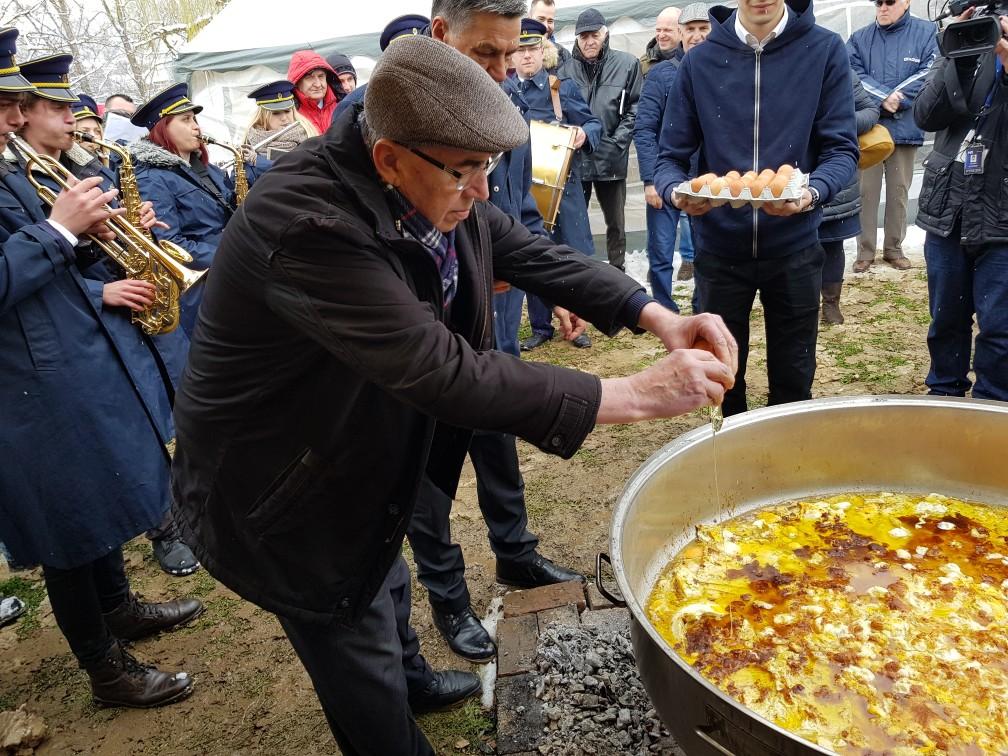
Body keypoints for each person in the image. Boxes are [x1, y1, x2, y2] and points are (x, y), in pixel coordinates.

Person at [170, 34, 737, 756]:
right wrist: (635, 392)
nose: (479, 192)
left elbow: (525, 249)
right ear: (388, 158)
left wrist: (654, 313)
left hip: (356, 443)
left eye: (487, 169)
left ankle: (410, 674)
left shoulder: (425, 176)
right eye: (465, 173)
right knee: (351, 625)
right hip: (283, 484)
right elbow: (444, 370)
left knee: (385, 566)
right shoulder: (307, 223)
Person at [0, 28, 202, 708]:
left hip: (70, 368)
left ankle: (118, 608)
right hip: (26, 392)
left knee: (98, 503)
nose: (14, 115)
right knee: (68, 531)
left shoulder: (8, 170)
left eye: (15, 103)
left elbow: (60, 265)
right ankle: (105, 670)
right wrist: (59, 229)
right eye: (4, 103)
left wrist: (109, 232)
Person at [654, 0, 858, 417]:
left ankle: (786, 465)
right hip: (719, 250)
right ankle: (731, 461)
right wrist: (677, 191)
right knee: (723, 374)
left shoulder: (823, 50)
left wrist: (812, 192)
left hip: (795, 246)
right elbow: (669, 155)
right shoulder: (700, 62)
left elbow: (841, 149)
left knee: (794, 376)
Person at [913, 13, 1008, 401]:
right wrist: (958, 56)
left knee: (1000, 328)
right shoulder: (962, 46)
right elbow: (926, 115)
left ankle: (992, 407)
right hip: (948, 211)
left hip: (1001, 217)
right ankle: (944, 397)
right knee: (947, 320)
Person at [129, 83, 264, 334]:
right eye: (186, 119)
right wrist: (229, 254)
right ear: (163, 127)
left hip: (230, 273)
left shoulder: (204, 168)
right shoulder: (151, 178)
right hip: (204, 287)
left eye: (195, 119)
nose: (196, 127)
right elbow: (168, 242)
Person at [513, 18, 601, 351]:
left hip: (565, 191)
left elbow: (593, 124)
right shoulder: (503, 92)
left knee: (571, 256)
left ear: (543, 51)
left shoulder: (559, 88)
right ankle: (541, 326)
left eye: (532, 49)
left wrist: (583, 134)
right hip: (525, 192)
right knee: (533, 257)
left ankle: (577, 324)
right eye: (519, 51)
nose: (526, 57)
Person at [847, 0, 938, 273]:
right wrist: (883, 97)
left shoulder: (927, 32)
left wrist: (899, 97)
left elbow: (930, 70)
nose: (883, 7)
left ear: (907, 2)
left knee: (899, 191)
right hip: (870, 130)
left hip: (905, 128)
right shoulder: (859, 38)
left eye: (890, 2)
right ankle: (864, 250)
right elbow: (851, 72)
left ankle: (894, 249)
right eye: (878, 2)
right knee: (865, 192)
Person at [634, 2, 710, 313]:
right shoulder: (661, 75)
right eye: (689, 30)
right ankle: (665, 308)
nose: (696, 36)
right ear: (680, 34)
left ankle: (701, 305)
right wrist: (651, 179)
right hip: (668, 176)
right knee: (662, 250)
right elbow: (645, 128)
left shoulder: (723, 70)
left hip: (708, 179)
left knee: (706, 250)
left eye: (702, 29)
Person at [560, 8, 642, 272]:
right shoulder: (564, 71)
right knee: (575, 221)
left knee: (615, 222)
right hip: (577, 159)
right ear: (576, 38)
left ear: (605, 34)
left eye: (594, 34)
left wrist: (617, 143)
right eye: (583, 36)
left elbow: (635, 108)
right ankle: (578, 273)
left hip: (611, 158)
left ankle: (618, 272)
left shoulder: (628, 64)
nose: (589, 41)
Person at [819, 71, 881, 325]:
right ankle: (801, 304)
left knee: (832, 243)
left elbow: (870, 111)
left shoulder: (839, 69)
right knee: (796, 248)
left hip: (837, 173)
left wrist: (837, 122)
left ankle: (831, 303)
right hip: (792, 172)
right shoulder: (779, 65)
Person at [242, 80, 314, 159]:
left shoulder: (309, 139)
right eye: (276, 113)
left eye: (287, 111)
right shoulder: (249, 142)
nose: (284, 118)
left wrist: (258, 162)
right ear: (263, 116)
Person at [287, 51, 341, 136]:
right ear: (297, 82)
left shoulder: (342, 106)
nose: (318, 84)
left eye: (321, 76)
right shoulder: (288, 115)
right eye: (309, 78)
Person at [529, 0, 572, 72]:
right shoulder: (514, 52)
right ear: (529, 17)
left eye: (550, 21)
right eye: (540, 19)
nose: (546, 26)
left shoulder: (563, 55)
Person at [640, 6, 682, 77]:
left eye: (667, 30)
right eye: (658, 30)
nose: (661, 35)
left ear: (681, 32)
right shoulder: (644, 62)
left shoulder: (693, 59)